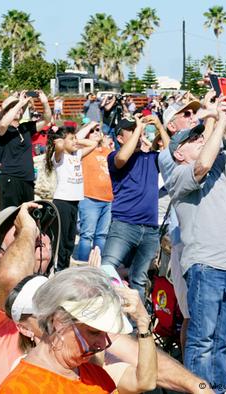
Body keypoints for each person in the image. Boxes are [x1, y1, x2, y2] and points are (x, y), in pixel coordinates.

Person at [0, 202, 210, 394]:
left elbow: (126, 352)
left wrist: (198, 386)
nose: (38, 234)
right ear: (0, 255)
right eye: (20, 233)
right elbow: (9, 277)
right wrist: (26, 230)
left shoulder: (65, 303)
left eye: (41, 231)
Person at [163, 94, 226, 393]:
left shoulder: (217, 166)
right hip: (205, 266)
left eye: (201, 136)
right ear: (179, 153)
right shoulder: (178, 174)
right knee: (202, 340)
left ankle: (218, 390)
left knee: (222, 340)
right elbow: (200, 166)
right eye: (193, 139)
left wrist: (222, 115)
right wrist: (219, 120)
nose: (200, 139)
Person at [0, 267, 157, 393]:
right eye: (93, 332)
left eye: (105, 333)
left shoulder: (94, 375)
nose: (102, 344)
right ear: (58, 322)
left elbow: (146, 382)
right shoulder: (20, 387)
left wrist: (143, 323)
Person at [101, 114, 170, 299]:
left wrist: (160, 127)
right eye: (130, 131)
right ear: (120, 138)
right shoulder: (114, 156)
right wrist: (139, 128)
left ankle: (135, 323)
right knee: (107, 270)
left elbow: (172, 156)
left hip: (150, 229)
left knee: (138, 278)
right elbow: (123, 156)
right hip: (124, 224)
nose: (136, 134)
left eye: (137, 131)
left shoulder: (151, 158)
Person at [44, 124, 98, 271]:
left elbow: (93, 143)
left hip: (74, 202)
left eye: (76, 138)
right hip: (62, 202)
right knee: (61, 241)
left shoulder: (77, 154)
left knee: (69, 240)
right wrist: (63, 140)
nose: (75, 141)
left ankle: (65, 268)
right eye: (71, 139)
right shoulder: (59, 157)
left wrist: (74, 140)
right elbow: (60, 147)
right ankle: (58, 269)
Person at [0, 91, 52, 210]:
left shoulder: (25, 128)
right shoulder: (2, 130)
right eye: (12, 108)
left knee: (28, 217)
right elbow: (3, 124)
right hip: (11, 179)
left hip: (28, 179)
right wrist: (20, 103)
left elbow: (46, 120)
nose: (18, 110)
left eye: (20, 108)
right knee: (10, 218)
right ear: (6, 112)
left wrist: (45, 103)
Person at [75, 123, 114, 262]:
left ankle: (98, 264)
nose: (96, 132)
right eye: (92, 131)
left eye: (98, 130)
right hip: (89, 197)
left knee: (102, 235)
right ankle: (83, 266)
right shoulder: (82, 150)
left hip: (108, 199)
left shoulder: (107, 151)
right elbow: (75, 139)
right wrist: (90, 124)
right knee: (87, 235)